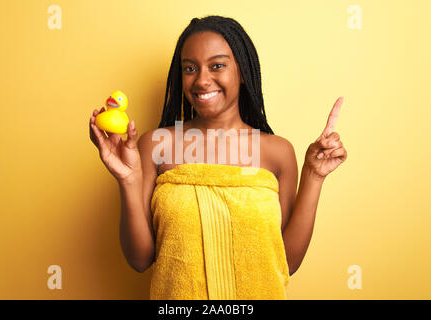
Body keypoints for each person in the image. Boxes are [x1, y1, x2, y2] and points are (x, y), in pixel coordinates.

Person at [89, 15, 347, 300]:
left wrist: (314, 175)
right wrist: (127, 179)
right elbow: (140, 259)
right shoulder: (156, 144)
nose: (201, 80)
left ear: (242, 71)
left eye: (217, 66)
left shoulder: (277, 152)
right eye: (190, 68)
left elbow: (286, 262)